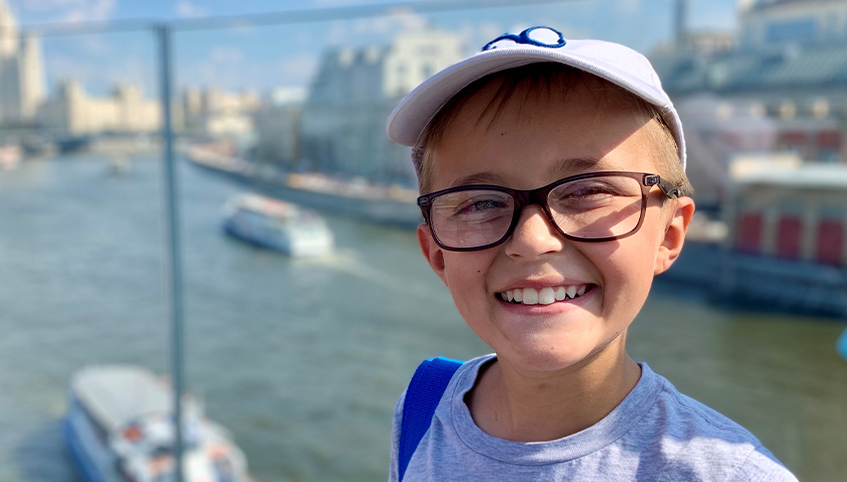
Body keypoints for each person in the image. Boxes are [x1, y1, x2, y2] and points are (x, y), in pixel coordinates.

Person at [384, 27, 798, 481]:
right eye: (481, 202)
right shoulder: (424, 405)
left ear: (669, 235)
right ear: (437, 254)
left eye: (587, 191)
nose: (532, 240)